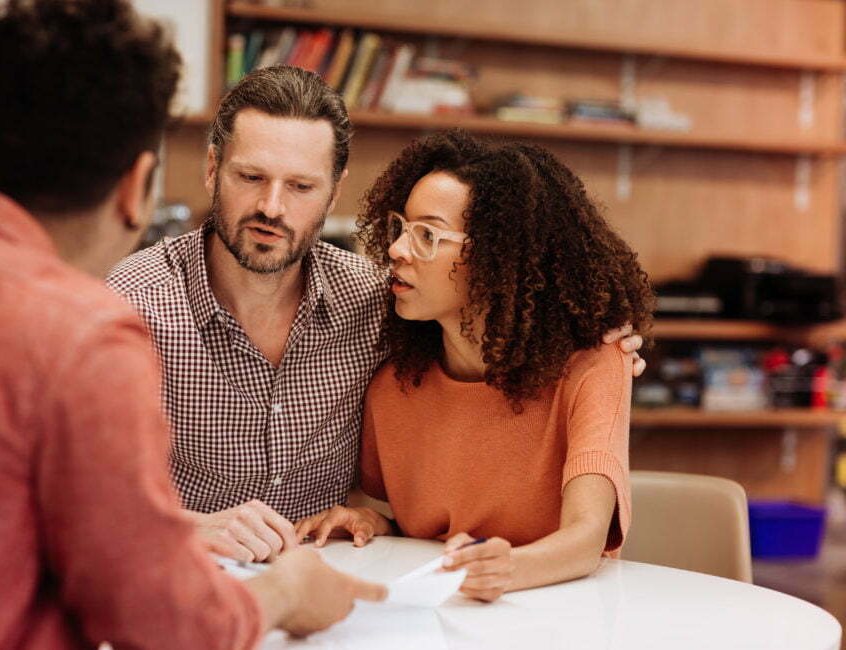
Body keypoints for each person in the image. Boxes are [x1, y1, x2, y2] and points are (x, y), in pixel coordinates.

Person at [0, 3, 384, 650]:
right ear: (139, 184)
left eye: (299, 186)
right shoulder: (86, 335)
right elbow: (175, 637)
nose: (272, 205)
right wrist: (290, 591)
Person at [107, 65, 647, 564]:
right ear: (211, 169)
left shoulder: (377, 302)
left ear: (333, 193)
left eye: (300, 186)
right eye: (251, 178)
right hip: (175, 575)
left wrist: (606, 342)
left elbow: (497, 316)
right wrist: (187, 529)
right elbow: (69, 493)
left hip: (331, 585)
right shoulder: (131, 304)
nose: (272, 207)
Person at [295, 131, 655, 602]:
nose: (398, 250)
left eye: (427, 235)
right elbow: (423, 527)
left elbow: (585, 540)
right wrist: (373, 521)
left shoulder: (594, 368)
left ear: (497, 257)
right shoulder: (393, 388)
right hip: (440, 618)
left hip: (562, 621)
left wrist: (503, 568)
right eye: (400, 227)